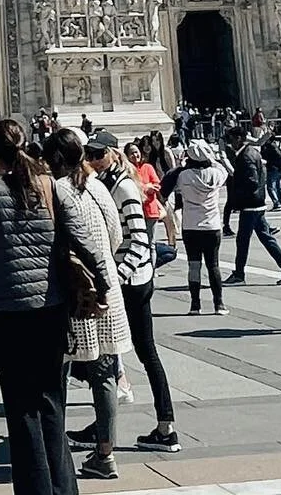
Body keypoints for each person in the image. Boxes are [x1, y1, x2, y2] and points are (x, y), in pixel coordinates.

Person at [0, 117, 109, 495]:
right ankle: (64, 488)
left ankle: (36, 490)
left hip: (6, 309)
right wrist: (103, 283)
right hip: (51, 306)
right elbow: (81, 238)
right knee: (51, 399)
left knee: (22, 405)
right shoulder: (50, 187)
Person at [45, 128, 131, 483]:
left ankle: (57, 451)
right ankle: (105, 453)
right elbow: (116, 236)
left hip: (76, 293)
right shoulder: (97, 187)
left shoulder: (58, 190)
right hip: (105, 289)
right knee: (105, 374)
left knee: (60, 371)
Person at [92, 134, 180, 453]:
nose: (90, 158)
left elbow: (140, 239)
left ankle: (161, 428)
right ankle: (156, 427)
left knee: (134, 351)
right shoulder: (106, 183)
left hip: (132, 282)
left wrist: (117, 275)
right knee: (114, 351)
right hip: (129, 279)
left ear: (112, 154)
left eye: (96, 153)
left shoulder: (124, 187)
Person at [223, 124, 281, 287]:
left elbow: (252, 180)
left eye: (231, 139)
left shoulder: (245, 156)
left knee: (243, 240)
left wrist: (240, 195)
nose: (230, 144)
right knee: (266, 238)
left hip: (250, 204)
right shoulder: (252, 153)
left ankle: (239, 274)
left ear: (238, 139)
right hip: (256, 203)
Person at [164, 139, 227, 315]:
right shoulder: (216, 174)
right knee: (213, 265)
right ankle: (219, 304)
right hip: (212, 225)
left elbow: (172, 184)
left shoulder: (183, 176)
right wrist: (210, 157)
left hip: (191, 226)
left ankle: (195, 305)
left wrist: (183, 163)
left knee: (194, 266)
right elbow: (223, 169)